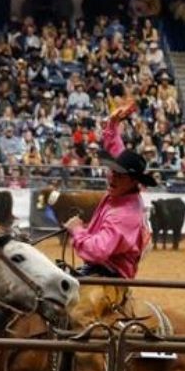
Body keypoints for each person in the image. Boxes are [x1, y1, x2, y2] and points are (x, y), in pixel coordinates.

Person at [63, 103, 155, 279]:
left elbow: (97, 251)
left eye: (119, 175)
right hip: (101, 267)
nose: (112, 177)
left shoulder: (124, 214)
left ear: (133, 181)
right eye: (112, 171)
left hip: (111, 272)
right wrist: (113, 123)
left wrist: (77, 230)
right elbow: (115, 147)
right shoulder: (124, 191)